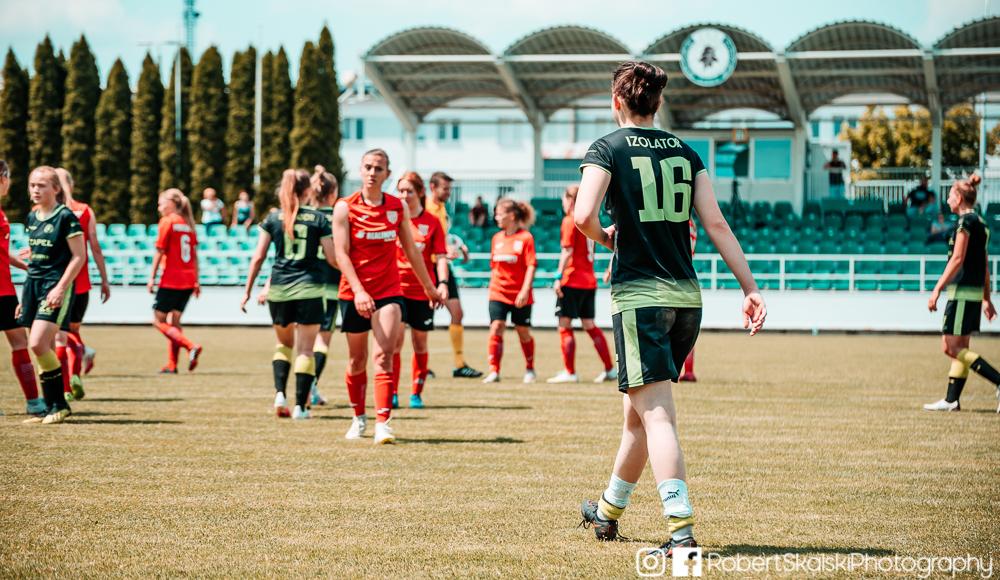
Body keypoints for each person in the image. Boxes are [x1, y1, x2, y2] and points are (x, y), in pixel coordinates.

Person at [574, 61, 766, 556]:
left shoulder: (606, 148)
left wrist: (607, 237)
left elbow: (582, 215)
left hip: (641, 298)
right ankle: (607, 511)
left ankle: (682, 535)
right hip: (686, 300)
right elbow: (716, 224)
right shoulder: (686, 151)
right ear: (657, 103)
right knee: (637, 416)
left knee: (656, 416)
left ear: (616, 101)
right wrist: (749, 288)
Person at [334, 149, 443, 444]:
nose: (372, 172)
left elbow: (412, 251)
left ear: (387, 174)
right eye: (368, 167)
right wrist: (359, 291)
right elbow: (341, 255)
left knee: (384, 356)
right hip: (353, 293)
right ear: (360, 170)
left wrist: (429, 287)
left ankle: (383, 423)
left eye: (378, 168)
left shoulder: (396, 207)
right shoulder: (344, 207)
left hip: (389, 292)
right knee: (357, 360)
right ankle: (358, 417)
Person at [242, 169, 339, 420]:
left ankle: (279, 395)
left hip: (279, 290)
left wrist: (248, 291)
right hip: (310, 289)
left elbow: (258, 258)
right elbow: (332, 258)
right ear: (307, 190)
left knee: (283, 345)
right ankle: (301, 408)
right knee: (306, 350)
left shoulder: (273, 218)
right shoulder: (318, 218)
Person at [925, 174, 1000, 412]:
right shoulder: (982, 224)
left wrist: (937, 289)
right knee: (961, 346)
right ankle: (952, 400)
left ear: (959, 198)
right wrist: (986, 298)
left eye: (950, 195)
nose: (947, 200)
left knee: (950, 347)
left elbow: (957, 259)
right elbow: (984, 264)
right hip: (974, 293)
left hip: (961, 292)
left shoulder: (964, 223)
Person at [19, 166, 86, 424]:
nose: (35, 190)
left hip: (54, 286)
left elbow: (79, 256)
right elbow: (40, 255)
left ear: (56, 189)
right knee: (41, 348)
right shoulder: (32, 216)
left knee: (38, 344)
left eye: (42, 185)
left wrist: (60, 287)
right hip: (32, 286)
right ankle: (50, 407)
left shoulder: (65, 216)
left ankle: (60, 403)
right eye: (32, 185)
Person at [547, 185, 615, 384]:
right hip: (588, 281)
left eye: (563, 199)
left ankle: (570, 372)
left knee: (564, 324)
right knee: (589, 324)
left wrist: (558, 276)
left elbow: (567, 251)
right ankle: (610, 369)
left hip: (571, 279)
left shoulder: (570, 220)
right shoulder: (591, 221)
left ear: (570, 200)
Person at [391, 172, 448, 409]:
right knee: (394, 343)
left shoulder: (432, 222)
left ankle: (416, 393)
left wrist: (442, 283)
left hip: (423, 292)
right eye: (401, 191)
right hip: (395, 290)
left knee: (420, 343)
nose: (404, 196)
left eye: (409, 191)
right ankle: (392, 392)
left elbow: (441, 257)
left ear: (420, 192)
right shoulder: (392, 219)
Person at [55, 168, 111, 400]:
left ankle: (65, 387)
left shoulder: (49, 211)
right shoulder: (85, 210)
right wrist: (104, 280)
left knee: (59, 335)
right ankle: (76, 372)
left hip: (58, 283)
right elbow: (95, 247)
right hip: (82, 284)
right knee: (73, 332)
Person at [425, 172, 482, 378]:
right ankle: (422, 366)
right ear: (433, 187)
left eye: (449, 189)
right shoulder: (425, 208)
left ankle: (459, 365)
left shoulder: (441, 209)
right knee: (423, 319)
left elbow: (443, 236)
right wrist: (441, 251)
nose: (448, 193)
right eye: (445, 189)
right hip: (428, 267)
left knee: (457, 313)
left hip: (443, 267)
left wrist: (457, 246)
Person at [0, 160, 45, 416]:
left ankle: (33, 401)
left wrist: (26, 266)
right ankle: (34, 402)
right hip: (2, 290)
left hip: (5, 288)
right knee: (19, 342)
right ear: (3, 178)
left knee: (20, 341)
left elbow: (2, 253)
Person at [482, 198, 538, 385]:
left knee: (523, 331)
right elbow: (494, 267)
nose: (496, 217)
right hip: (498, 292)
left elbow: (531, 266)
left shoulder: (526, 238)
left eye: (499, 214)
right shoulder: (496, 238)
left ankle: (530, 368)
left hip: (520, 294)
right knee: (496, 326)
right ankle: (494, 370)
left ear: (512, 216)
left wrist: (525, 290)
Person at [148, 189, 203, 374]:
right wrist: (197, 281)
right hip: (188, 280)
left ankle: (190, 346)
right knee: (175, 321)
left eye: (161, 203)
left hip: (171, 279)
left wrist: (151, 277)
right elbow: (194, 256)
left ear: (172, 203)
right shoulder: (188, 224)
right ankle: (172, 365)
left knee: (158, 321)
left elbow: (160, 250)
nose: (159, 208)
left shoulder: (168, 221)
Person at [308, 166, 340, 407]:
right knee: (322, 341)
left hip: (304, 287)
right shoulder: (340, 216)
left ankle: (304, 389)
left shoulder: (304, 215)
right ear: (333, 192)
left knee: (303, 343)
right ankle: (310, 388)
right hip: (331, 287)